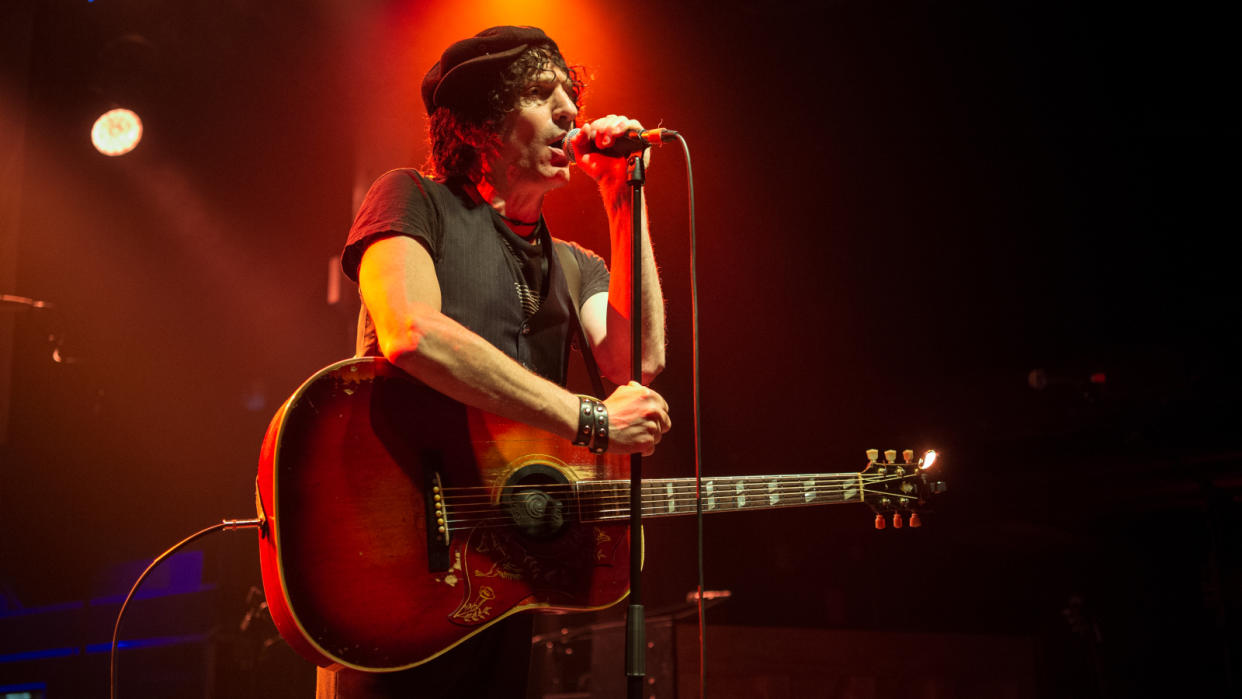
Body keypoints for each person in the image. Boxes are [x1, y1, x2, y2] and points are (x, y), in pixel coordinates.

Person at [320, 26, 672, 698]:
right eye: (544, 93)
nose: (571, 109)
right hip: (392, 555)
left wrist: (626, 195)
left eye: (572, 91)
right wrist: (588, 418)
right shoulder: (411, 200)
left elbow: (639, 359)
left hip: (503, 572)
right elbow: (412, 332)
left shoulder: (574, 265)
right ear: (483, 124)